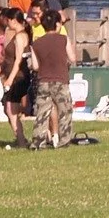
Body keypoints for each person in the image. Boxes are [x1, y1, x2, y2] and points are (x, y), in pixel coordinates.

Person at [31, 10, 74, 148]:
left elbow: (35, 66)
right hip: (60, 80)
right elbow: (72, 58)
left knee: (42, 113)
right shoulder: (64, 39)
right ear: (57, 25)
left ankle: (38, 142)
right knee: (64, 112)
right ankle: (64, 141)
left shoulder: (36, 43)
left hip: (43, 80)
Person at [0, 8, 33, 148]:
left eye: (8, 20)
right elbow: (8, 59)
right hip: (15, 75)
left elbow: (18, 61)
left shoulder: (19, 37)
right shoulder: (19, 34)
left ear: (13, 20)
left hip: (17, 77)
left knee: (10, 109)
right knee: (11, 108)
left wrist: (10, 79)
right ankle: (21, 138)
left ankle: (21, 140)